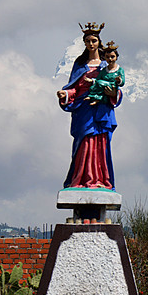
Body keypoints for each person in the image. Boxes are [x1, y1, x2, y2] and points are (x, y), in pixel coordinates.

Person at [56, 22, 122, 190]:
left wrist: (112, 94)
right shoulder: (80, 64)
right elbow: (74, 88)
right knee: (83, 142)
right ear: (84, 43)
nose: (91, 44)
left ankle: (100, 179)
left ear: (99, 42)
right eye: (88, 41)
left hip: (102, 109)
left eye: (94, 40)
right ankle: (80, 179)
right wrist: (66, 94)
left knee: (101, 144)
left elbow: (118, 88)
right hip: (84, 107)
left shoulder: (106, 65)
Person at [84, 41, 125, 106]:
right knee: (94, 87)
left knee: (100, 83)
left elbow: (122, 82)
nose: (110, 59)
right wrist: (92, 80)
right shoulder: (104, 70)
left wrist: (119, 80)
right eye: (107, 57)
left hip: (112, 86)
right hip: (103, 87)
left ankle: (96, 98)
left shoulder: (119, 70)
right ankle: (94, 98)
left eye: (112, 57)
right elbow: (98, 78)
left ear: (116, 57)